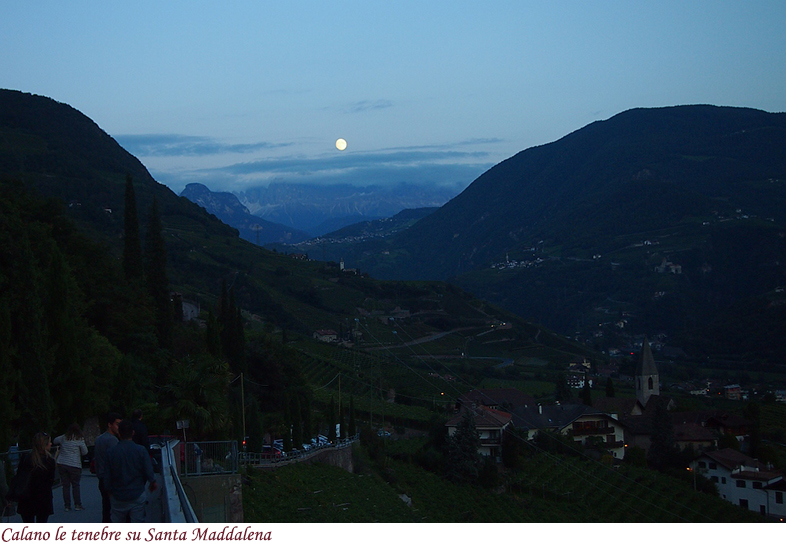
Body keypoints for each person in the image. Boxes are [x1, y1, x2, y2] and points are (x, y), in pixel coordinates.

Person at [106, 419, 157, 523]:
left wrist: (109, 491)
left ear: (119, 433)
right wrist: (152, 482)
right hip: (136, 493)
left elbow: (107, 475)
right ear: (133, 433)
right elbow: (148, 471)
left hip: (118, 495)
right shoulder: (141, 450)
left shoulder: (111, 452)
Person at [16, 432, 56, 523]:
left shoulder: (26, 458)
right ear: (44, 445)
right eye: (49, 442)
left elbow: (19, 476)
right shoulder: (49, 461)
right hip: (43, 498)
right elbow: (51, 480)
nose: (51, 444)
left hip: (26, 498)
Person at [53, 423, 88, 511]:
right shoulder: (79, 439)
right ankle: (77, 504)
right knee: (75, 485)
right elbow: (85, 452)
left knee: (66, 486)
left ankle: (67, 506)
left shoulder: (64, 437)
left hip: (63, 463)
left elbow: (54, 440)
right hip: (75, 464)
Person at [94, 412, 121, 523]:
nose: (119, 427)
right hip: (110, 479)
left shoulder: (99, 439)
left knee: (106, 508)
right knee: (114, 510)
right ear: (110, 424)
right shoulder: (113, 440)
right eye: (117, 424)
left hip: (101, 477)